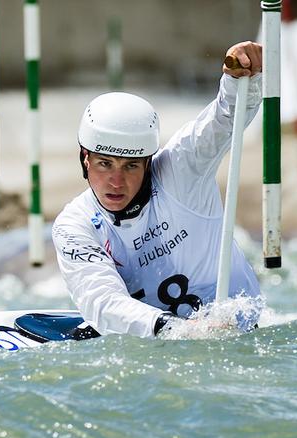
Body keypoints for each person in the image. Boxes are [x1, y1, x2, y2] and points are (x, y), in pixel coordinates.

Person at [52, 41, 264, 338]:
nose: (116, 181)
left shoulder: (180, 169)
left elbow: (224, 119)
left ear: (148, 163)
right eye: (104, 164)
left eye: (130, 166)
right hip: (165, 342)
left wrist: (241, 79)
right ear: (85, 159)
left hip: (238, 335)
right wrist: (179, 329)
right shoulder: (74, 224)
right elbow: (102, 302)